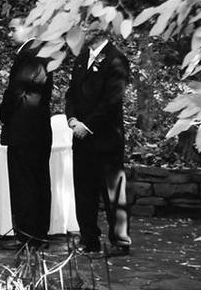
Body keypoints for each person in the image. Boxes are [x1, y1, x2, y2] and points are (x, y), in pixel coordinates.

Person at [65, 27, 131, 256]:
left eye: (88, 26)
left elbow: (112, 100)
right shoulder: (83, 56)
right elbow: (71, 92)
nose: (82, 31)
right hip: (81, 138)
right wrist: (72, 118)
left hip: (105, 139)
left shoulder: (117, 60)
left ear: (100, 30)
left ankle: (120, 241)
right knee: (84, 191)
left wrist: (88, 125)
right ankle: (88, 239)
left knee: (112, 192)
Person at [0, 25, 52, 249]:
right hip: (38, 129)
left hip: (24, 130)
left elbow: (15, 92)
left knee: (24, 184)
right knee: (38, 182)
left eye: (14, 27)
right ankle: (38, 234)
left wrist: (3, 113)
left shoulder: (29, 55)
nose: (9, 32)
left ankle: (27, 235)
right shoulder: (43, 53)